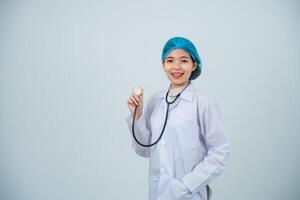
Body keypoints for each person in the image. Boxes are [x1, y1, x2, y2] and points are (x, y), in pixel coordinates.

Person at [126, 36, 230, 200]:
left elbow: (220, 151)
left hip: (188, 194)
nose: (176, 67)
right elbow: (144, 149)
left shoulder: (203, 102)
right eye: (170, 60)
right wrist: (137, 115)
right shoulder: (155, 101)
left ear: (194, 65)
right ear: (163, 65)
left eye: (183, 60)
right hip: (157, 192)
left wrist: (186, 185)